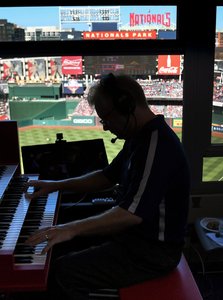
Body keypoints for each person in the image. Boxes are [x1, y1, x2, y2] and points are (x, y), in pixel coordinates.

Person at [25, 73, 191, 300]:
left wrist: (72, 229)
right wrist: (57, 185)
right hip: (132, 236)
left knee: (62, 272)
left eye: (106, 119)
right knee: (56, 240)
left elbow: (130, 215)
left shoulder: (158, 145)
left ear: (127, 107)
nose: (104, 128)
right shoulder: (139, 137)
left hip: (153, 252)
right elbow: (106, 177)